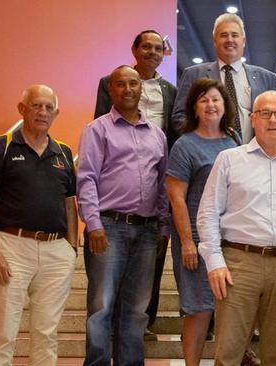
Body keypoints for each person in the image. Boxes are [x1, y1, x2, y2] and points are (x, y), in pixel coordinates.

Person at [197, 91, 276, 365]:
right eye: (265, 113)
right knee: (229, 353)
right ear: (253, 119)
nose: (273, 119)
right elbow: (208, 213)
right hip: (238, 266)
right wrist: (214, 263)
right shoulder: (229, 159)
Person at [77, 65, 170, 365]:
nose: (128, 89)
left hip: (146, 232)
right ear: (110, 90)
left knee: (136, 310)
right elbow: (87, 178)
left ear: (141, 88)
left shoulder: (157, 135)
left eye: (133, 83)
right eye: (121, 84)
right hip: (108, 228)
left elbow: (162, 183)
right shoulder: (97, 129)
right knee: (102, 307)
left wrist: (163, 227)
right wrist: (92, 224)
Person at [92, 29, 176, 339]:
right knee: (106, 286)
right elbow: (101, 122)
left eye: (158, 48)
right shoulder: (110, 83)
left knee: (149, 268)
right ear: (134, 50)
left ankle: (146, 322)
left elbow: (174, 131)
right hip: (117, 190)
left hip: (155, 177)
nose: (152, 53)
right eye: (146, 47)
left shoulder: (170, 89)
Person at [0, 85, 77, 365]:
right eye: (37, 105)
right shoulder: (1, 146)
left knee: (46, 333)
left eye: (49, 108)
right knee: (3, 332)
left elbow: (70, 205)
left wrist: (71, 248)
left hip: (55, 251)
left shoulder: (62, 152)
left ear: (56, 113)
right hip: (11, 248)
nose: (43, 112)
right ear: (22, 109)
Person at [166, 78, 239, 366]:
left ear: (225, 106)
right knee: (198, 310)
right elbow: (176, 197)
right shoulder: (185, 145)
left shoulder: (234, 142)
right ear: (194, 107)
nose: (211, 105)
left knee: (228, 309)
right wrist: (186, 241)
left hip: (230, 240)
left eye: (216, 99)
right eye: (204, 99)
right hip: (195, 241)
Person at [172, 13, 276, 143]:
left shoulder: (267, 79)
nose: (229, 39)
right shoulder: (193, 74)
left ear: (243, 41)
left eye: (235, 35)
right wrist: (201, 144)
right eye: (223, 35)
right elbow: (179, 117)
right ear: (214, 41)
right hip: (209, 157)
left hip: (255, 157)